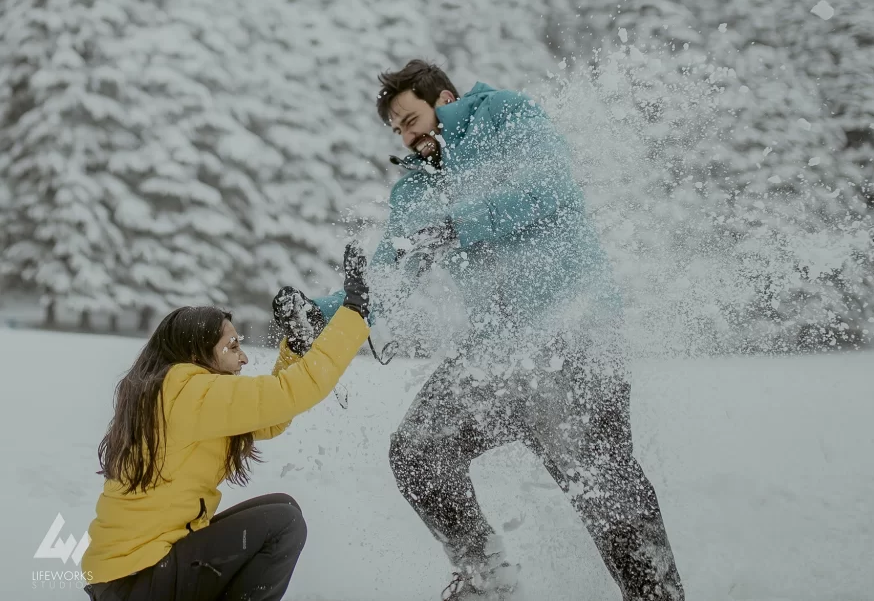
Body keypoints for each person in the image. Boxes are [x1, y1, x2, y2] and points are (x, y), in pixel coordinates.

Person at [286, 60, 684, 600]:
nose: (407, 134)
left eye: (411, 118)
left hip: (572, 335)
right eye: (397, 129)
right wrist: (323, 314)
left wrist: (458, 226)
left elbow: (551, 188)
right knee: (418, 451)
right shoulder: (415, 193)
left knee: (604, 489)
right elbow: (387, 277)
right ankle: (486, 579)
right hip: (498, 355)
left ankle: (658, 596)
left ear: (444, 99)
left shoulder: (504, 115)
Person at [80, 246, 371, 601]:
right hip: (136, 579)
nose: (244, 356)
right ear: (195, 354)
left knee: (283, 509)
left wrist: (294, 346)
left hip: (133, 576)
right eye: (232, 346)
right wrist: (353, 313)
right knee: (283, 525)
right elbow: (292, 393)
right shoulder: (188, 392)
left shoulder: (176, 392)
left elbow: (271, 417)